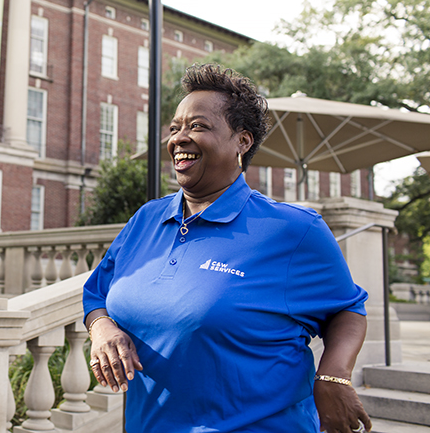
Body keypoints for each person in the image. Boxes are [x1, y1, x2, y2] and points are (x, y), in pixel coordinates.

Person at [83, 64, 372, 433]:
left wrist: (333, 377)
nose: (179, 138)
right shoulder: (146, 219)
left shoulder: (293, 229)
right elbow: (96, 293)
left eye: (198, 126)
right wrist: (102, 328)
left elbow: (347, 308)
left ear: (242, 141)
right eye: (175, 128)